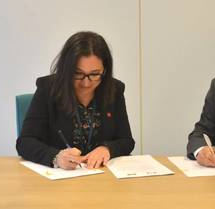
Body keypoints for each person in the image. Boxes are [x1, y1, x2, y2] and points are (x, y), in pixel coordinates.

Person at [16, 31, 135, 169]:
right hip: (59, 179)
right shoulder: (48, 89)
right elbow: (25, 142)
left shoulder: (114, 90)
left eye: (95, 74)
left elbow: (126, 141)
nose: (86, 83)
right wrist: (56, 157)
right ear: (66, 69)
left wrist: (107, 149)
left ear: (105, 70)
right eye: (78, 74)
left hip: (102, 177)